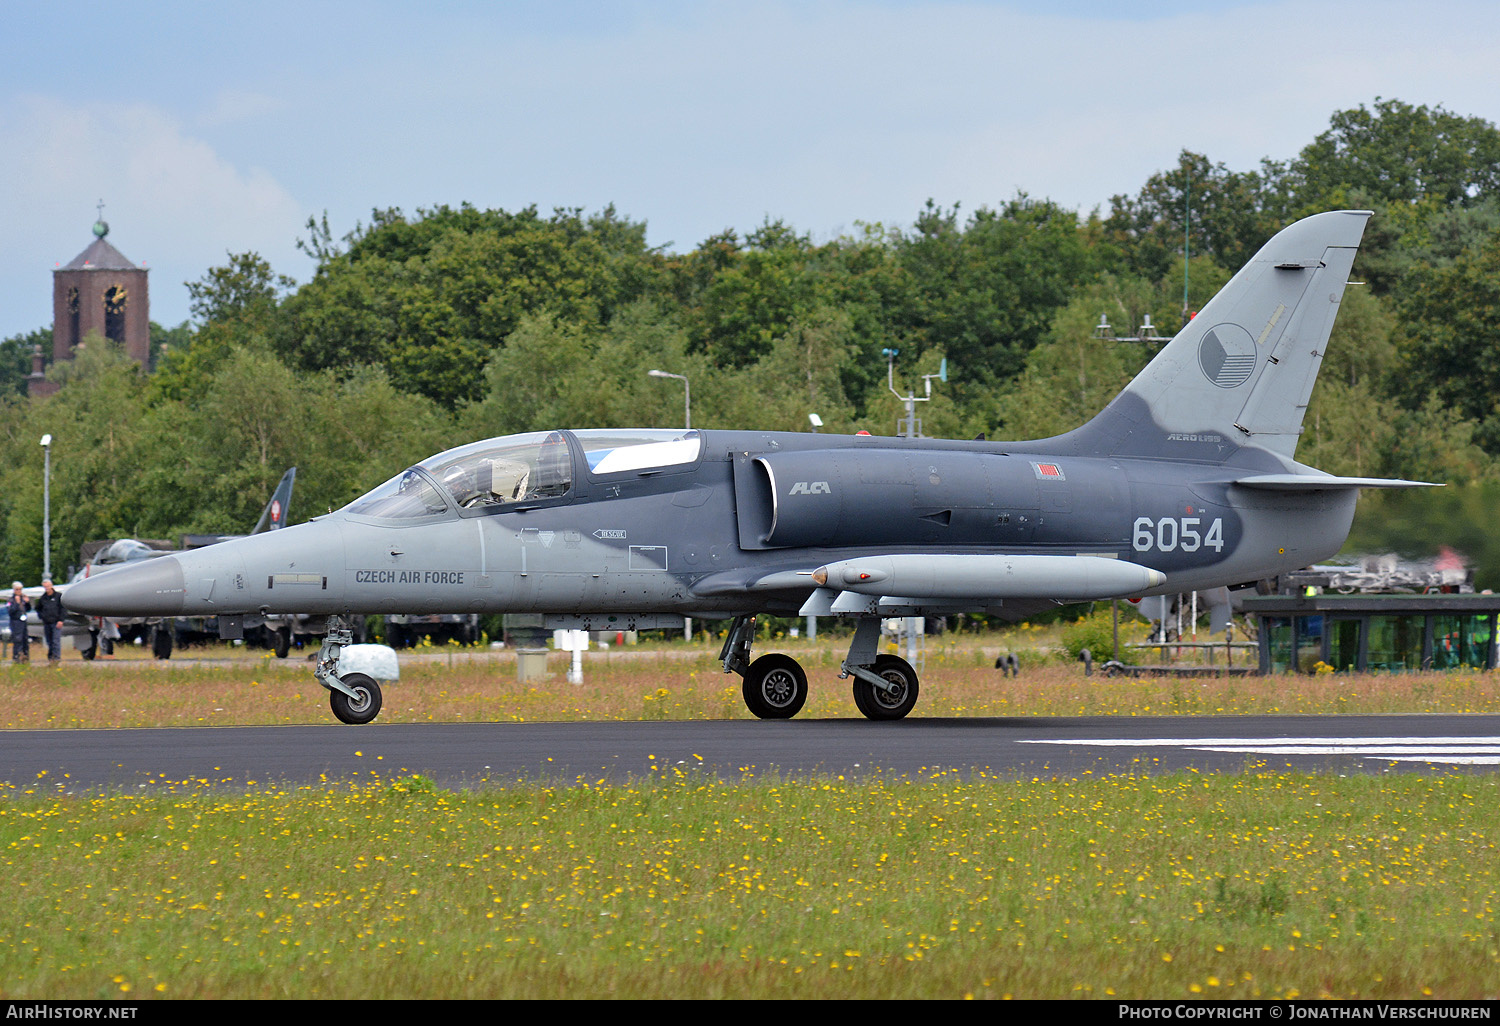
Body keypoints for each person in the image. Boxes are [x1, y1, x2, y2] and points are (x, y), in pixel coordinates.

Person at [35, 579, 63, 665]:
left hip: (56, 622)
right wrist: (42, 616)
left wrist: (61, 620)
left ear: (51, 586)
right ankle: (51, 657)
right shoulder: (43, 598)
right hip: (47, 622)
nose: (46, 588)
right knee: (49, 641)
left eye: (48, 586)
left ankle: (56, 658)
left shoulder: (58, 596)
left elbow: (63, 609)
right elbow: (38, 608)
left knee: (55, 641)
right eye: (45, 586)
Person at [6, 582, 29, 663]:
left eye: (20, 589)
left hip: (23, 622)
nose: (19, 591)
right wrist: (17, 603)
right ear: (14, 590)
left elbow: (28, 609)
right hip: (15, 622)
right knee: (17, 639)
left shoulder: (23, 598)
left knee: (25, 639)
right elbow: (10, 611)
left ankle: (25, 657)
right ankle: (17, 657)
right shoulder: (11, 600)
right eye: (17, 589)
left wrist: (27, 602)